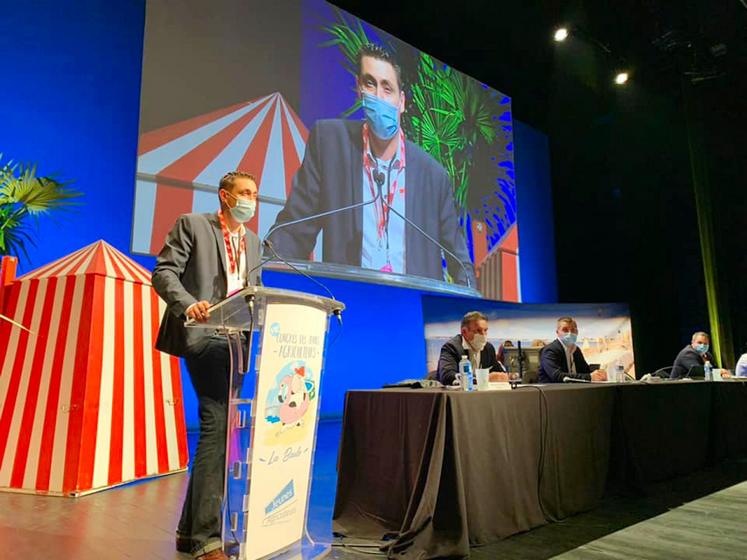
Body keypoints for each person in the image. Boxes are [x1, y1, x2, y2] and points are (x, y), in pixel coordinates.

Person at [268, 43, 474, 286]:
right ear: (359, 89)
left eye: (387, 88)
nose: (378, 97)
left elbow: (460, 263)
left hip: (411, 310)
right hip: (350, 304)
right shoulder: (330, 143)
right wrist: (272, 275)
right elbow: (293, 232)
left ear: (402, 101)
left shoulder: (434, 175)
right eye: (370, 84)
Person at [152, 171, 261, 560]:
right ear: (225, 197)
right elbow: (163, 272)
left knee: (217, 433)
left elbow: (254, 292)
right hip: (204, 335)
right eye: (245, 193)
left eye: (255, 194)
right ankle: (206, 539)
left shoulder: (252, 242)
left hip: (236, 343)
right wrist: (188, 304)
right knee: (216, 426)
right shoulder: (193, 225)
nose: (252, 200)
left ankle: (188, 533)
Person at [436, 311, 509, 385]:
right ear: (464, 332)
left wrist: (507, 376)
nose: (483, 335)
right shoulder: (451, 347)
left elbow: (498, 373)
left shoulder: (488, 348)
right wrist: (481, 379)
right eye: (478, 331)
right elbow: (447, 376)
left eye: (485, 330)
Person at [538, 317, 607, 383]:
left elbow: (585, 371)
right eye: (565, 330)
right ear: (557, 332)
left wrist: (599, 372)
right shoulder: (550, 350)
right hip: (551, 392)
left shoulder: (576, 350)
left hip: (573, 390)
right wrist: (590, 377)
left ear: (577, 332)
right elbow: (557, 376)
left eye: (573, 330)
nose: (570, 333)